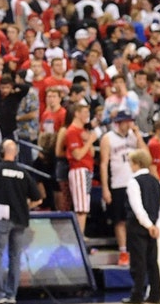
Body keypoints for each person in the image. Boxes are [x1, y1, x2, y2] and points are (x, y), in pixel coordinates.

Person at [0, 139, 43, 304]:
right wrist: (25, 206)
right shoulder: (23, 172)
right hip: (20, 219)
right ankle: (11, 296)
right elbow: (38, 198)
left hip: (2, 219)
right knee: (15, 257)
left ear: (1, 152)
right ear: (15, 152)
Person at [99, 111, 145, 267]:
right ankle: (123, 252)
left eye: (130, 121)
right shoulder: (108, 138)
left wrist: (138, 135)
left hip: (135, 182)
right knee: (120, 220)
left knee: (137, 218)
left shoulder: (133, 137)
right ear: (119, 122)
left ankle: (135, 251)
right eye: (126, 121)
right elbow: (104, 164)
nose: (129, 124)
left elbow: (145, 154)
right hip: (118, 183)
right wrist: (105, 188)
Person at [122, 149, 160, 304]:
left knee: (138, 261)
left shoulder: (134, 182)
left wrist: (148, 225)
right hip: (154, 228)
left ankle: (137, 295)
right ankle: (156, 294)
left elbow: (137, 207)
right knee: (152, 261)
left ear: (136, 163)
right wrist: (157, 225)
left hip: (138, 227)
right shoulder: (157, 182)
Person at [61, 101, 97, 232]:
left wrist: (88, 140)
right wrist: (90, 141)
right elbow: (77, 155)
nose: (87, 115)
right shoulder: (72, 131)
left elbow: (91, 153)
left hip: (87, 170)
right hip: (78, 169)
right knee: (81, 208)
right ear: (77, 114)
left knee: (85, 207)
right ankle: (79, 237)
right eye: (85, 112)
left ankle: (81, 235)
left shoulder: (83, 130)